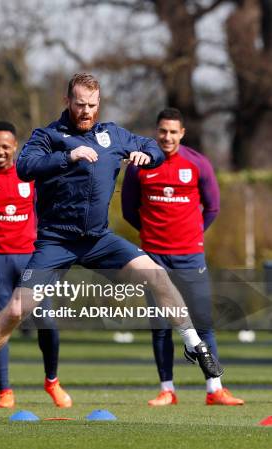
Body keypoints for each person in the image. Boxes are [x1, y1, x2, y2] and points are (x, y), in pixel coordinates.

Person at [0, 73, 223, 406]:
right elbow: (25, 167)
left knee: (155, 274)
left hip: (98, 239)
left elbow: (152, 146)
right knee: (17, 309)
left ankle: (194, 345)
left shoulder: (112, 134)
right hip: (55, 241)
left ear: (99, 103)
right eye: (80, 104)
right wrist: (68, 157)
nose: (86, 111)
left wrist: (148, 156)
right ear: (67, 102)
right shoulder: (48, 136)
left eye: (92, 105)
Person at [121, 107, 244, 406]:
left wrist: (193, 234)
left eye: (173, 132)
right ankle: (167, 389)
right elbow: (128, 210)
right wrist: (152, 234)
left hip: (191, 257)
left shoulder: (198, 163)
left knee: (203, 324)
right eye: (163, 131)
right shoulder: (139, 165)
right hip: (154, 259)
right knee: (162, 325)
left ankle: (215, 390)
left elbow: (212, 207)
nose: (167, 137)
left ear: (182, 133)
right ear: (156, 131)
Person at [0, 121, 71, 408]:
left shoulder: (31, 177)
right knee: (0, 325)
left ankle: (51, 381)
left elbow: (47, 212)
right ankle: (5, 391)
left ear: (15, 146)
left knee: (47, 322)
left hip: (32, 258)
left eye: (5, 146)